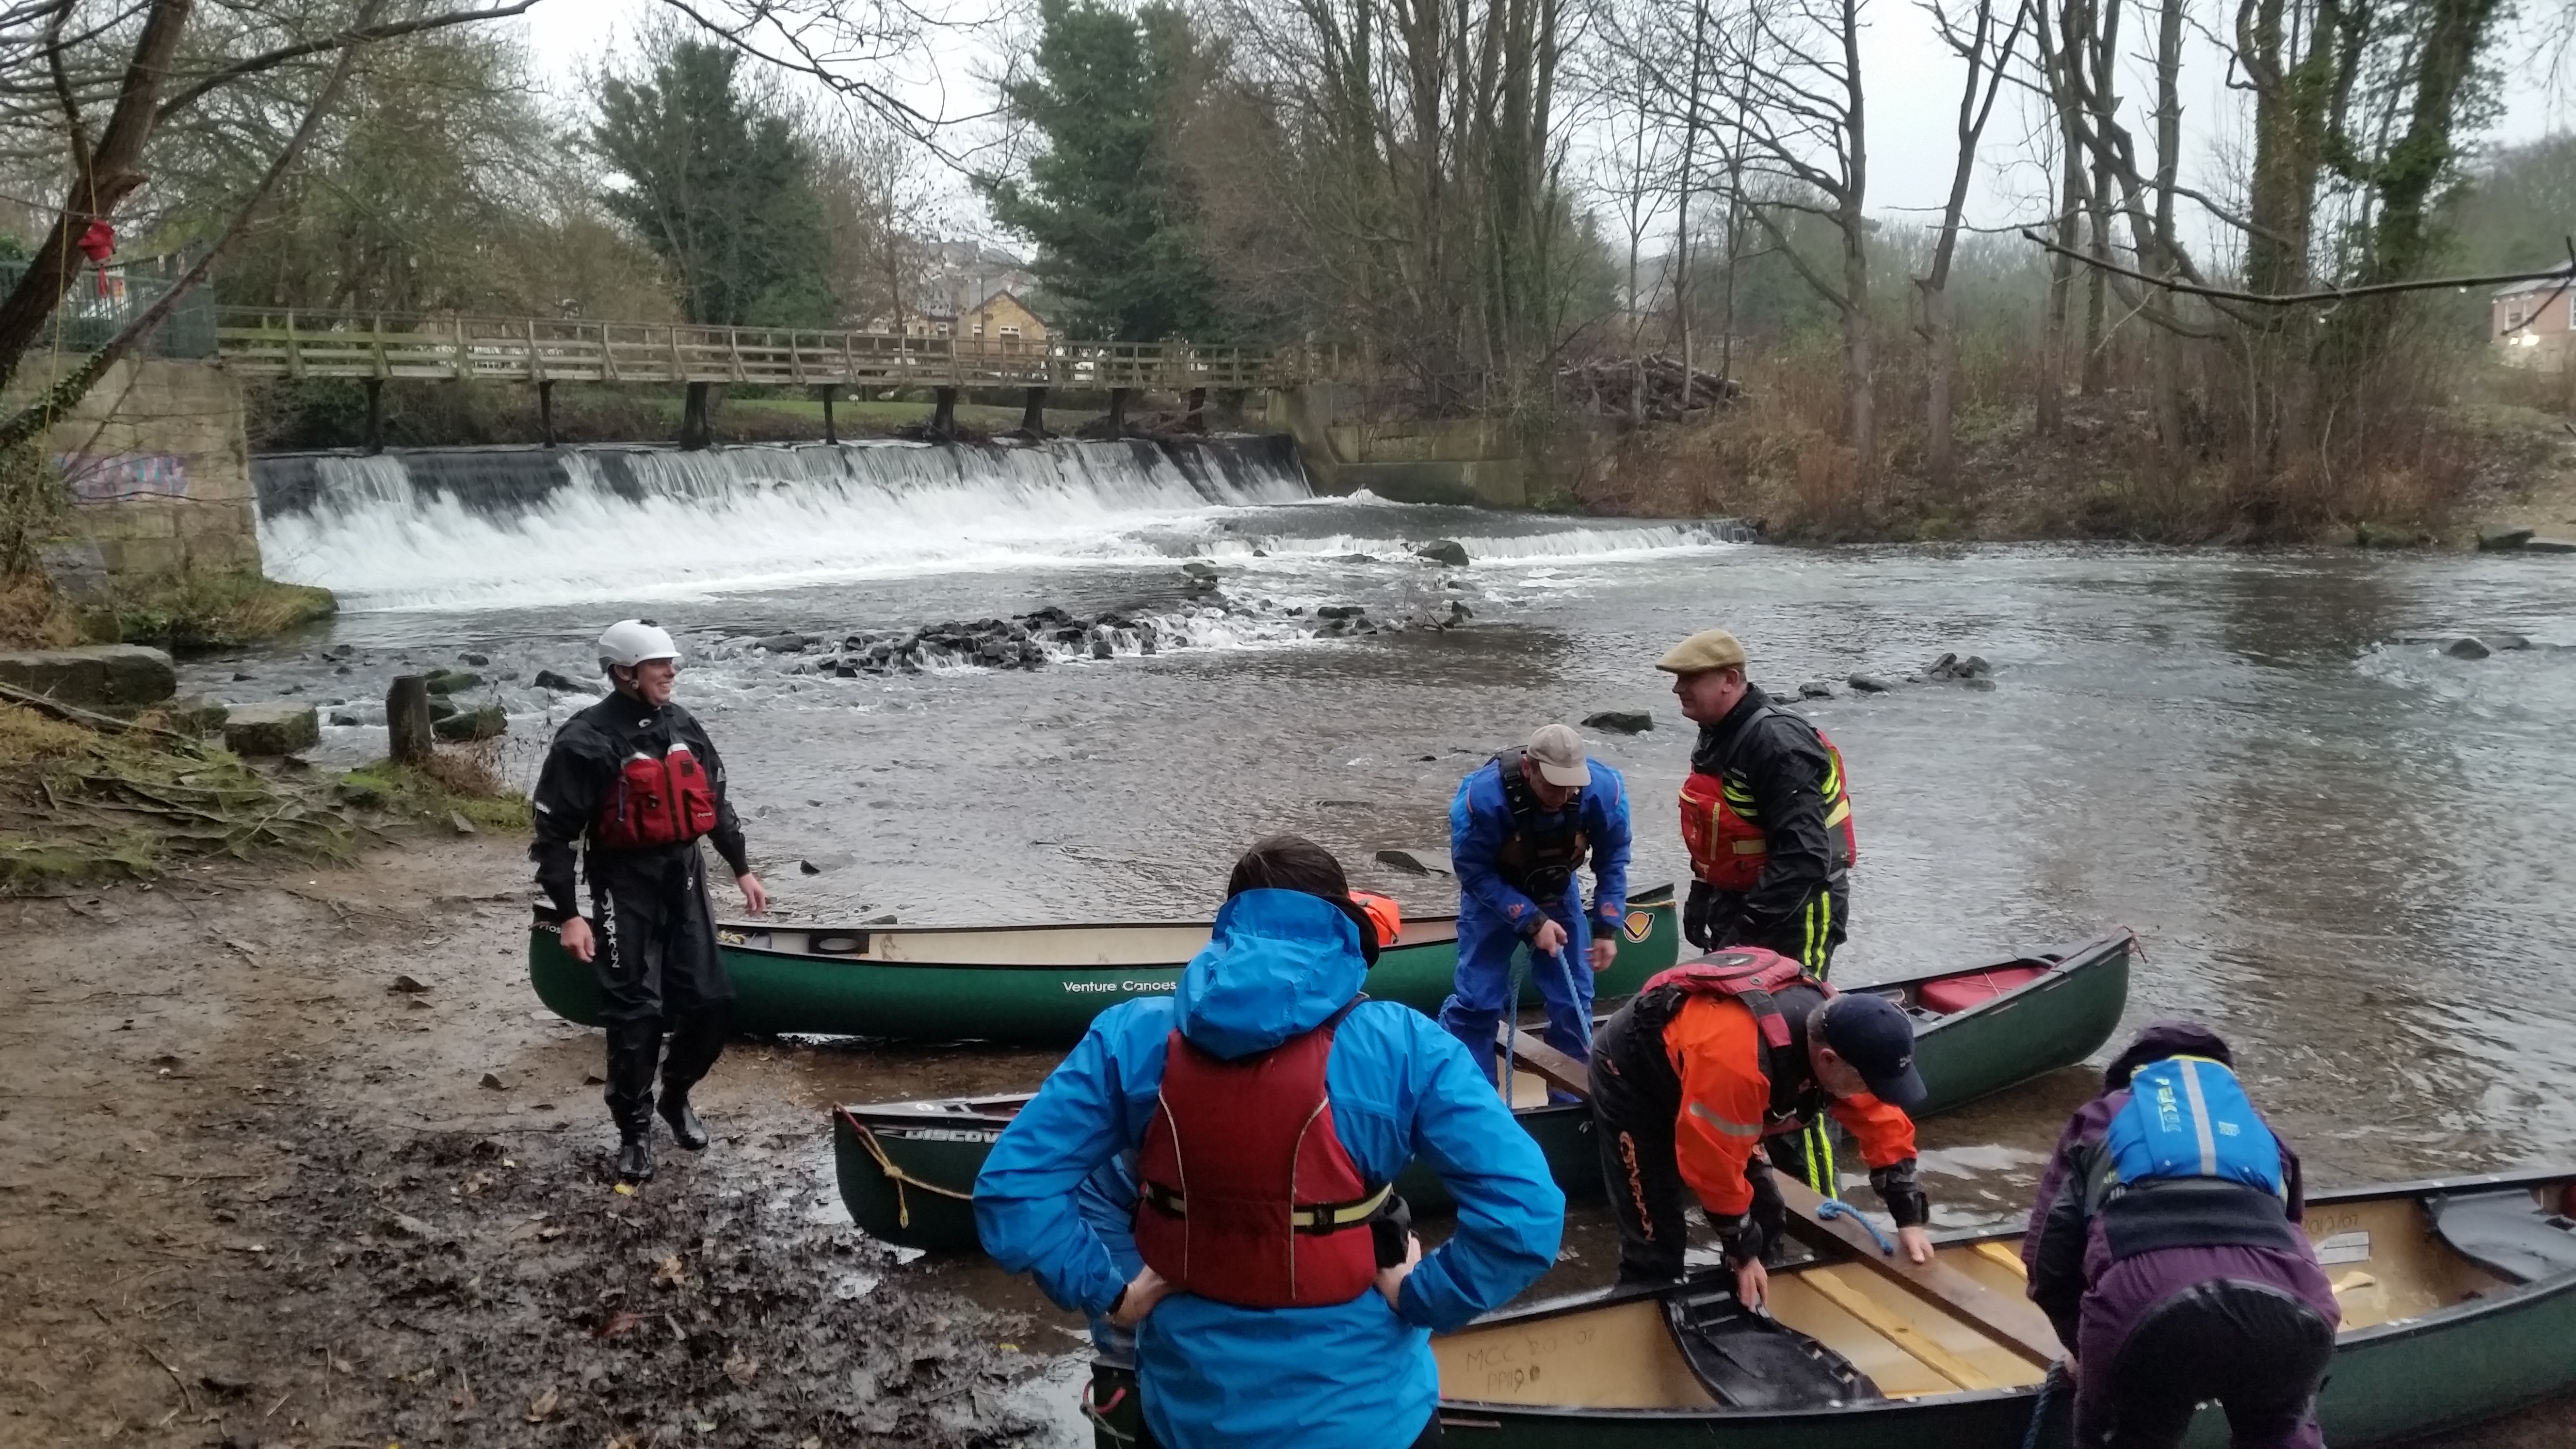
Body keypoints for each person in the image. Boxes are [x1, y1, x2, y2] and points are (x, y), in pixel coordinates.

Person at [975, 835, 1563, 1449]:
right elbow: (1525, 1217)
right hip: (1371, 1420)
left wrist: (1109, 1293)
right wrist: (1424, 1297)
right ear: (1343, 921)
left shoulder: (1133, 1036)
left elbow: (1014, 1187)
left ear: (1230, 924)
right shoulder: (1405, 1045)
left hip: (1190, 1420)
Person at [2021, 1022, 2337, 1449]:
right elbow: (2291, 1232)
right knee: (2280, 1431)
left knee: (2135, 1432)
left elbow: (2048, 1262)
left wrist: (2083, 1346)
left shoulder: (2100, 1119)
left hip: (2145, 1308)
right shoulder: (2261, 1132)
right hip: (2294, 1309)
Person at [531, 619, 768, 1183]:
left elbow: (713, 799)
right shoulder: (583, 741)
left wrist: (741, 868)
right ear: (623, 673)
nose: (671, 672)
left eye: (672, 664)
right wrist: (568, 914)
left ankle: (676, 1095)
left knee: (711, 1003)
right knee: (635, 1012)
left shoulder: (682, 725)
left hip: (683, 874)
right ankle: (633, 1132)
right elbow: (554, 837)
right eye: (659, 665)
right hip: (622, 883)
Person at [1587, 947, 1932, 1296]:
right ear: (1828, 1061)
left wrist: (1909, 1217)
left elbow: (1884, 1123)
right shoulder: (1740, 1064)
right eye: (1865, 1083)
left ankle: (1753, 1298)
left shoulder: (1850, 1039)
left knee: (1766, 1215)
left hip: (1707, 1074)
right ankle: (1646, 1298)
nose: (1868, 1091)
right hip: (1634, 1077)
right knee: (1656, 1239)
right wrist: (1741, 1250)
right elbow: (1712, 1164)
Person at [1439, 723, 1632, 1089]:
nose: (1564, 795)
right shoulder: (1481, 799)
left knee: (1574, 1002)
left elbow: (1613, 857)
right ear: (1528, 768)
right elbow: (1472, 872)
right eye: (1554, 786)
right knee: (1478, 1002)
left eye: (1571, 785)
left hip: (1558, 890)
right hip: (1494, 895)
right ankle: (1474, 1098)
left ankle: (1571, 1101)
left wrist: (1608, 927)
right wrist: (1528, 918)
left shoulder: (1604, 791)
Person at [1657, 629, 1856, 976]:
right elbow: (1715, 828)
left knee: (1789, 1015)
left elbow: (1805, 856)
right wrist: (1701, 895)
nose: (1677, 689)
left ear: (1729, 680)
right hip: (1740, 898)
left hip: (1798, 907)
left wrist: (1746, 929)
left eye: (1690, 678)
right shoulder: (1716, 731)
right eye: (1677, 679)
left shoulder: (1778, 744)